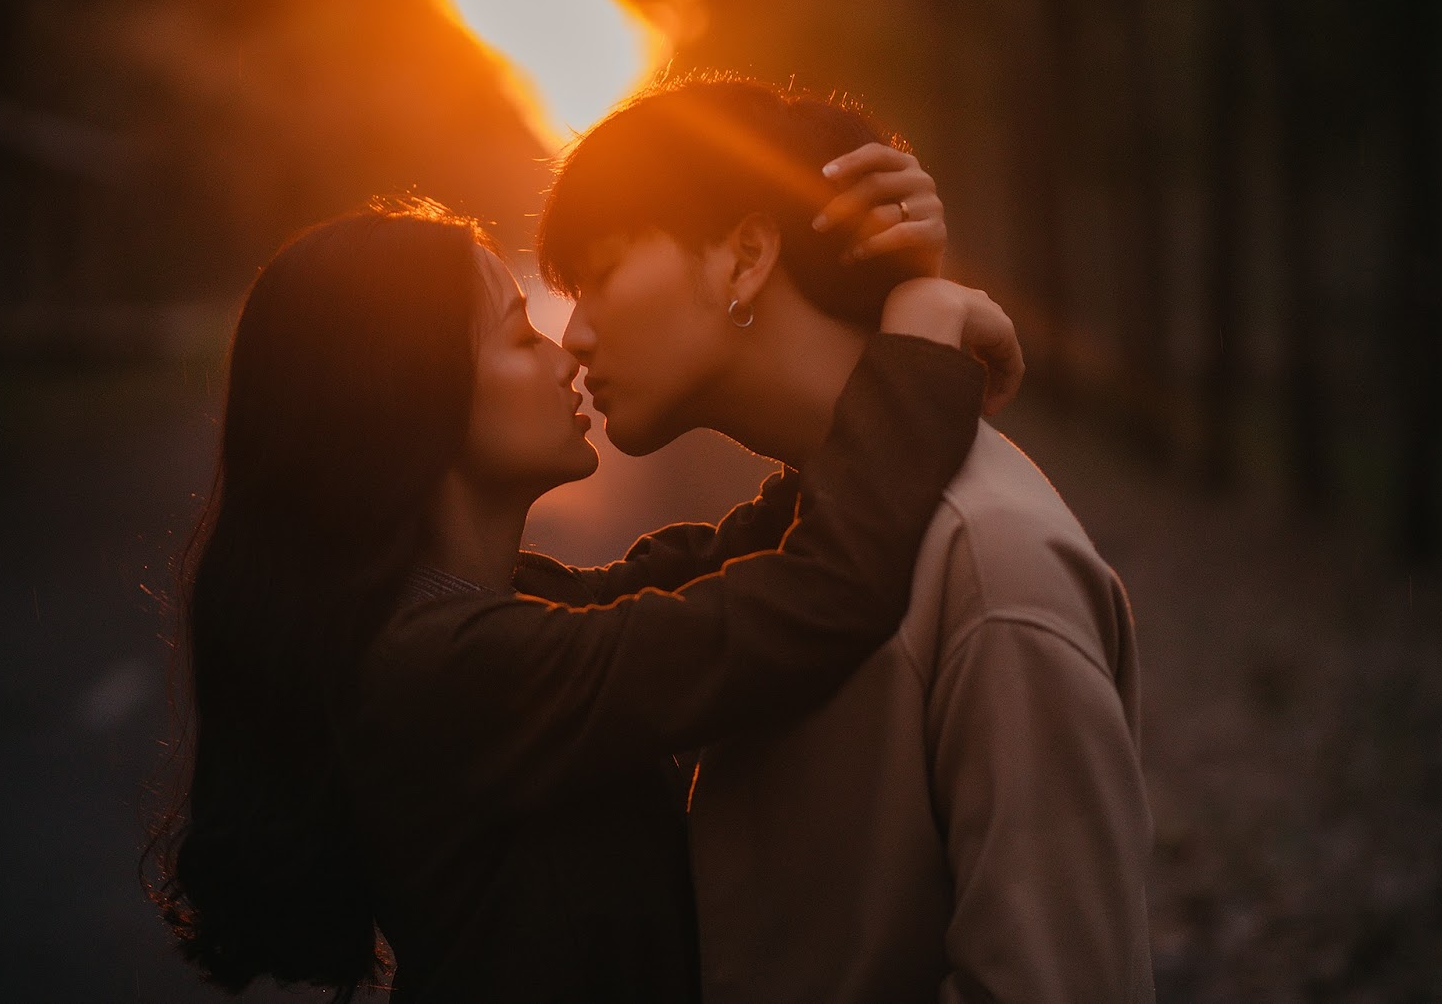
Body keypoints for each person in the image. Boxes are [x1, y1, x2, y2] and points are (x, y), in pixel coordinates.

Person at [147, 183, 1023, 1001]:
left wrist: (881, 299)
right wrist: (915, 343)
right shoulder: (439, 668)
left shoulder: (478, 614)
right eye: (521, 334)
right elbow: (813, 599)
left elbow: (722, 567)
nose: (564, 351)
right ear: (418, 394)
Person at [537, 74, 1154, 1003]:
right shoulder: (819, 524)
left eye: (603, 272)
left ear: (744, 256)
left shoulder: (991, 563)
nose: (575, 333)